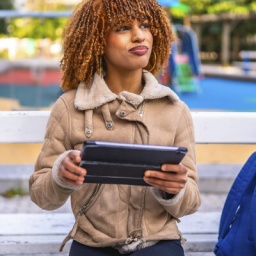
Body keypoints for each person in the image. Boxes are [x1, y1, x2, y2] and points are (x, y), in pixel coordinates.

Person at [29, 0, 201, 255]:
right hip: (92, 242)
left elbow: (191, 202)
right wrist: (60, 176)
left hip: (159, 242)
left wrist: (175, 190)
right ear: (97, 40)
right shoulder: (69, 107)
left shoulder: (175, 110)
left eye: (145, 25)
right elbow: (42, 196)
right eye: (122, 28)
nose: (139, 35)